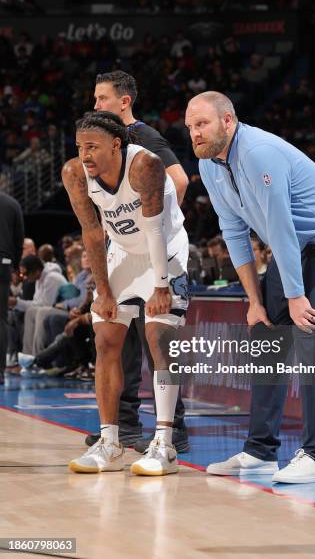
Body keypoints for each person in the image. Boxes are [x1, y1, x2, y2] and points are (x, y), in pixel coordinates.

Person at [185, 91, 315, 484]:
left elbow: (280, 228)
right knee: (266, 334)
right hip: (290, 245)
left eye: (202, 124)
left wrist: (296, 297)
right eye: (190, 127)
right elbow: (233, 231)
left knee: (311, 332)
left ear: (227, 122)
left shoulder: (258, 152)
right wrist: (254, 302)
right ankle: (260, 452)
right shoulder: (208, 165)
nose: (194, 133)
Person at [62, 111, 189, 475]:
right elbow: (93, 234)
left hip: (164, 249)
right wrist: (101, 292)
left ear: (116, 144)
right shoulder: (75, 174)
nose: (84, 155)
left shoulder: (144, 165)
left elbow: (154, 230)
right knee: (105, 339)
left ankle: (165, 445)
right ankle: (110, 442)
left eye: (93, 147)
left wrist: (161, 286)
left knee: (158, 336)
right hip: (123, 252)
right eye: (79, 146)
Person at [91, 69, 190, 452]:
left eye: (102, 98)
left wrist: (154, 227)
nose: (96, 104)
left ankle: (172, 429)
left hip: (155, 250)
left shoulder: (144, 137)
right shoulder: (101, 147)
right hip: (123, 253)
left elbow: (179, 181)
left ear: (124, 102)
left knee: (157, 338)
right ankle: (124, 424)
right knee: (118, 341)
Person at [0, 191, 24, 383]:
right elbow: (19, 238)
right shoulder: (12, 203)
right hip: (4, 263)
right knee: (1, 319)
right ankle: (0, 372)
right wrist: (14, 265)